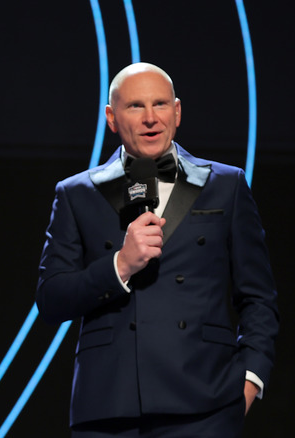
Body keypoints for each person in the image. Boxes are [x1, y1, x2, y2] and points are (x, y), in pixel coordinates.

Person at [36, 62, 279, 437]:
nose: (151, 118)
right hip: (110, 405)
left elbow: (258, 296)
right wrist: (120, 265)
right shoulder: (76, 193)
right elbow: (52, 299)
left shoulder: (226, 185)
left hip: (206, 402)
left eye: (160, 105)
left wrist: (249, 380)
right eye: (135, 107)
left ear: (177, 112)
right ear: (112, 118)